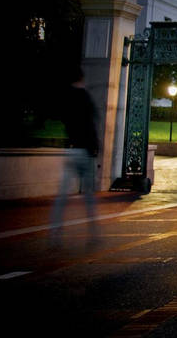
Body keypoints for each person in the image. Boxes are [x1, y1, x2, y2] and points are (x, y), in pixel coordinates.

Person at [50, 67, 100, 245]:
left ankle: (54, 233)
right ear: (81, 79)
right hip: (84, 151)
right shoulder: (85, 97)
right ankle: (94, 233)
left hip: (70, 149)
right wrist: (95, 147)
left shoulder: (66, 97)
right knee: (88, 195)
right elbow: (91, 124)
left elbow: (62, 118)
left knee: (62, 195)